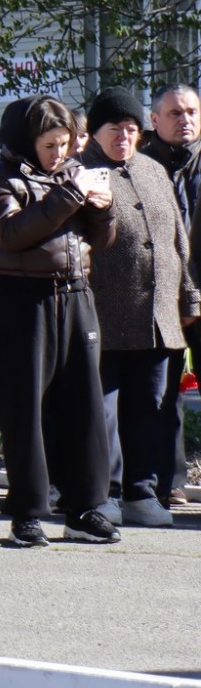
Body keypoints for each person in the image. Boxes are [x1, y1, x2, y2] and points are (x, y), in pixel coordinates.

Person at [0, 95, 117, 547]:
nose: (60, 154)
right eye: (49, 145)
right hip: (20, 301)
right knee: (24, 409)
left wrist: (103, 206)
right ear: (26, 141)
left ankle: (83, 508)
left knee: (83, 405)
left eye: (65, 144)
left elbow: (102, 238)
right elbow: (10, 234)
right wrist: (72, 195)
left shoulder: (70, 175)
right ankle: (27, 513)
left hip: (74, 294)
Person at [79, 88, 197, 528]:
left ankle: (142, 493)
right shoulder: (80, 172)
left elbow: (176, 240)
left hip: (157, 313)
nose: (125, 137)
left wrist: (188, 295)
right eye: (116, 129)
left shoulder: (152, 169)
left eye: (131, 129)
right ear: (95, 132)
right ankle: (104, 493)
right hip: (103, 312)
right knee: (103, 409)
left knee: (151, 405)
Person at [140, 83, 201, 505]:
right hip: (159, 297)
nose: (186, 120)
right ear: (154, 120)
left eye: (193, 112)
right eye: (176, 113)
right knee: (161, 393)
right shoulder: (139, 167)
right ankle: (169, 481)